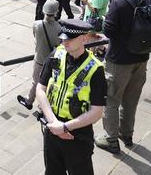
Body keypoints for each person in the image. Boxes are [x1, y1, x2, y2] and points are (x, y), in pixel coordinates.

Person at [35, 19, 106, 175]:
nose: (64, 41)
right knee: (53, 171)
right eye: (63, 37)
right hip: (52, 128)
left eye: (70, 38)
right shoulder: (56, 54)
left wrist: (65, 127)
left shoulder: (95, 69)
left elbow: (97, 111)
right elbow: (40, 89)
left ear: (85, 38)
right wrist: (55, 124)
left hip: (78, 135)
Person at [96, 0, 151, 153]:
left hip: (119, 61)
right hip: (141, 58)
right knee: (131, 100)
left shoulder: (119, 2)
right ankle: (126, 134)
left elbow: (109, 31)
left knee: (111, 100)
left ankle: (111, 139)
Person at [17, 0, 61, 110]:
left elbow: (35, 38)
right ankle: (38, 104)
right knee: (49, 83)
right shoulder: (59, 27)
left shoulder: (36, 24)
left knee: (37, 82)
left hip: (40, 58)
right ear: (56, 12)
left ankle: (31, 101)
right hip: (52, 60)